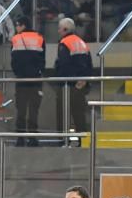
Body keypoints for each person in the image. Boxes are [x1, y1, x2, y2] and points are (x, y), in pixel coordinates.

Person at [10, 17, 45, 145]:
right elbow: (43, 60)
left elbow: (13, 61)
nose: (16, 28)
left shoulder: (15, 39)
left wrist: (18, 73)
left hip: (21, 79)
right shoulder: (39, 38)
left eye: (17, 25)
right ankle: (33, 137)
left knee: (21, 109)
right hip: (36, 79)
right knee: (34, 109)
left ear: (23, 25)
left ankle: (20, 138)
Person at [53, 17, 91, 132]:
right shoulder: (81, 42)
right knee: (79, 115)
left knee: (63, 114)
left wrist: (61, 79)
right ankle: (82, 140)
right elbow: (89, 64)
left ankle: (63, 140)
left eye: (59, 28)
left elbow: (64, 65)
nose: (58, 31)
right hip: (81, 85)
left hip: (67, 85)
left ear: (65, 29)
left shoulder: (65, 43)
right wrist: (84, 80)